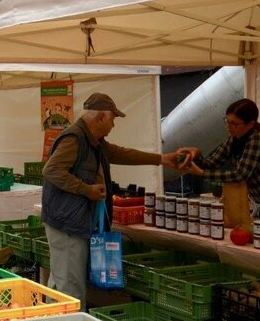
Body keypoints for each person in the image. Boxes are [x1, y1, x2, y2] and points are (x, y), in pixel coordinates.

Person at [41, 92, 184, 309]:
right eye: (113, 119)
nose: (113, 125)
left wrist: (161, 159)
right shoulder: (75, 138)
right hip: (67, 223)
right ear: (100, 117)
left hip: (71, 220)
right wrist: (86, 190)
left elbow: (121, 154)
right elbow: (51, 170)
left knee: (63, 281)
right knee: (70, 287)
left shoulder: (94, 141)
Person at [179, 98, 260, 214]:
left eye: (234, 123)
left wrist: (202, 173)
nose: (228, 127)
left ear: (250, 124)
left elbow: (241, 174)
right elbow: (211, 164)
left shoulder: (258, 139)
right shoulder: (233, 140)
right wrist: (197, 154)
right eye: (227, 121)